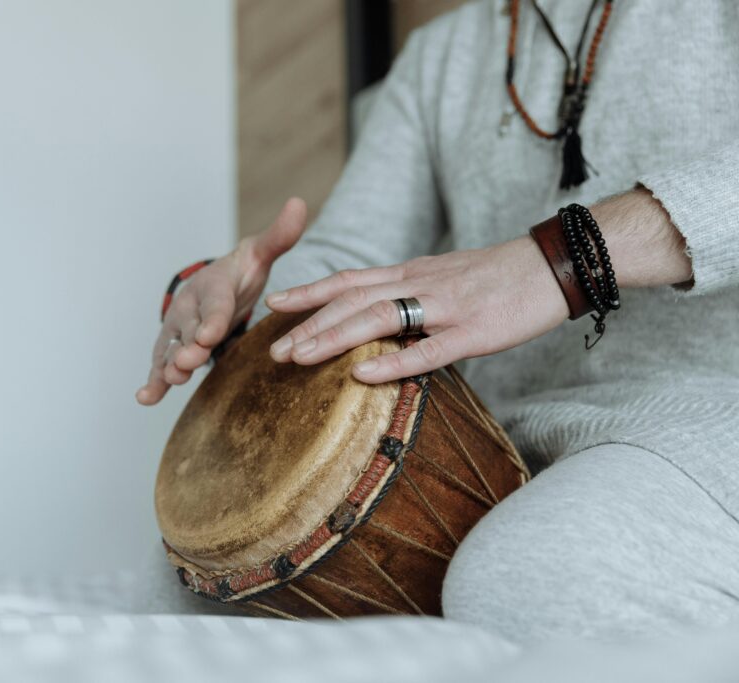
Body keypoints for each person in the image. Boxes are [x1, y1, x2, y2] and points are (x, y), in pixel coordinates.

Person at [136, 0, 739, 643]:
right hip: (492, 434)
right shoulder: (442, 54)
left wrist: (559, 262)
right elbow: (356, 260)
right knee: (195, 588)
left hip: (704, 417)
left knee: (530, 575)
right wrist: (248, 308)